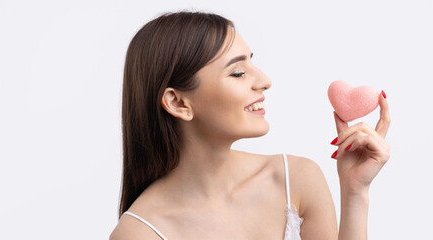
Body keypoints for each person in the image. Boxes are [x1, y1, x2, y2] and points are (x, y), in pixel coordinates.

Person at [108, 11, 391, 240]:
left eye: (251, 64)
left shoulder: (297, 180)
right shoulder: (140, 232)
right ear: (178, 103)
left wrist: (355, 193)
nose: (265, 80)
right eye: (238, 72)